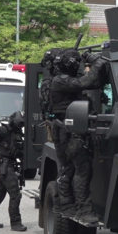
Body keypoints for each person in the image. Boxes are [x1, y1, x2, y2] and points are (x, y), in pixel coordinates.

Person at [48, 49, 109, 224]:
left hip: (67, 130)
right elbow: (88, 81)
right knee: (82, 171)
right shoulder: (60, 81)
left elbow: (94, 82)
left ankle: (66, 206)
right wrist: (97, 61)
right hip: (70, 132)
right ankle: (83, 210)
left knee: (68, 170)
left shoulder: (62, 79)